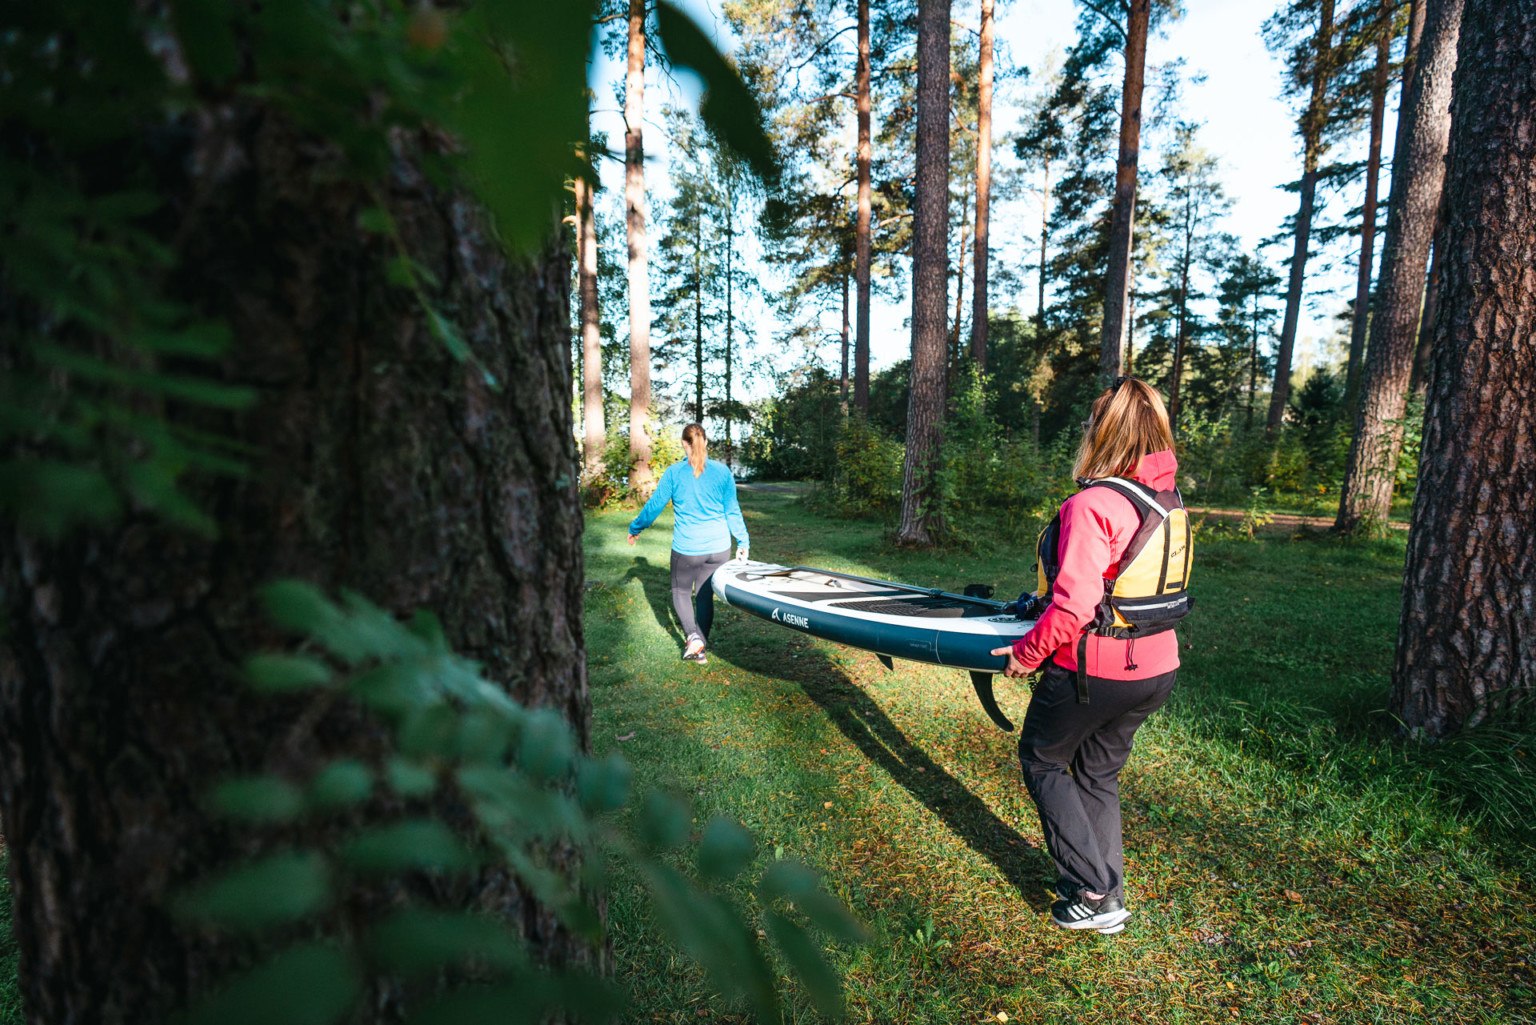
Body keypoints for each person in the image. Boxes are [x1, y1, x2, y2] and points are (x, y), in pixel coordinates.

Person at [991, 377, 1191, 935]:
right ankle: (1110, 901)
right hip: (1156, 669)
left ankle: (1087, 886)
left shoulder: (1093, 503)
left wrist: (1027, 656)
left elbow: (1075, 606)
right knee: (1098, 774)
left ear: (1102, 434)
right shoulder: (1167, 502)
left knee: (1043, 759)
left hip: (1094, 670)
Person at [628, 423, 749, 664]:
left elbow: (655, 505)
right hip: (719, 548)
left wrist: (635, 527)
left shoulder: (674, 473)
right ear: (705, 442)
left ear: (685, 443)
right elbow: (732, 510)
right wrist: (743, 540)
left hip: (688, 549)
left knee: (680, 591)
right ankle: (699, 647)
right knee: (704, 596)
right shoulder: (722, 472)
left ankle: (694, 638)